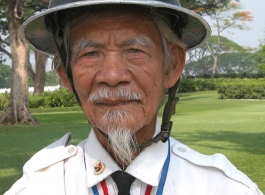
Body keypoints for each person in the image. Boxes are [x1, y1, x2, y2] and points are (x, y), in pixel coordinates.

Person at [5, 0, 263, 195]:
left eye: (134, 50)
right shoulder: (38, 187)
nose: (113, 75)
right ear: (66, 76)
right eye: (91, 53)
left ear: (171, 66)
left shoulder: (223, 188)